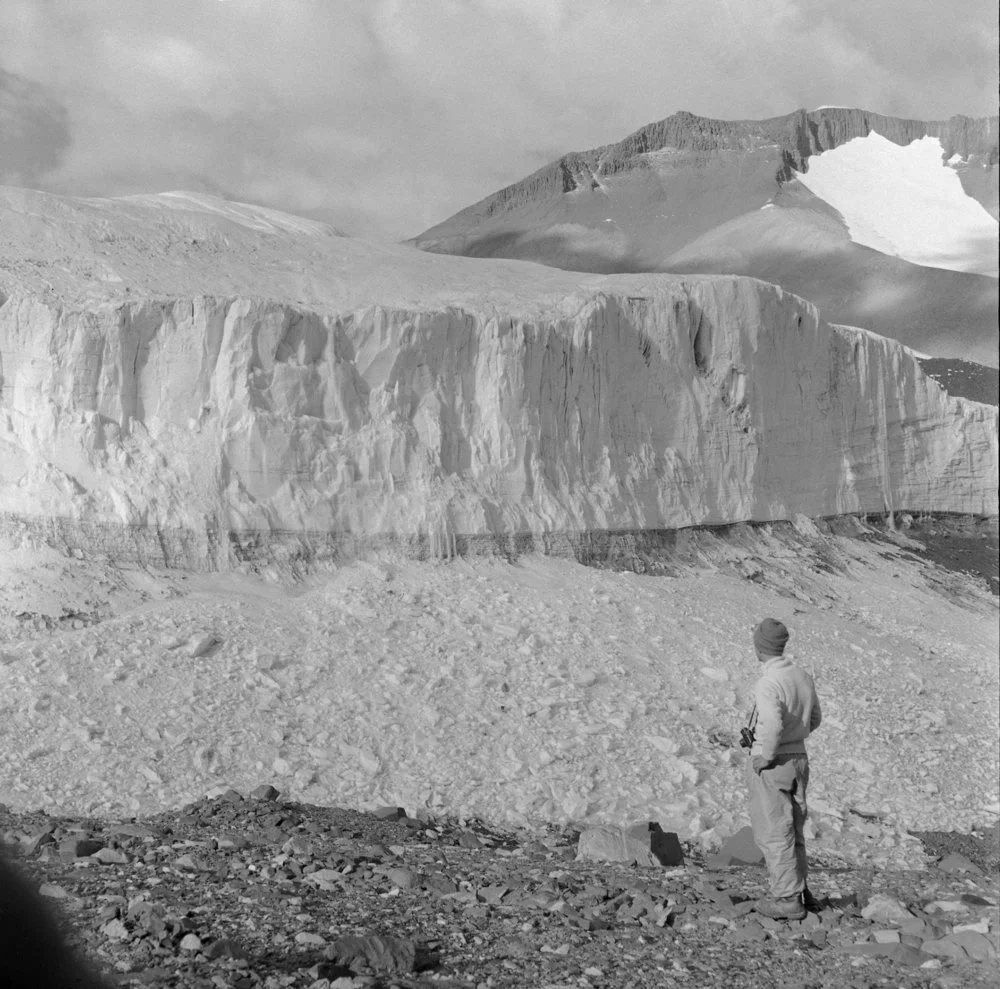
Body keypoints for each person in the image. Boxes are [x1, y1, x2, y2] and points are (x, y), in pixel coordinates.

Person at [745, 618, 822, 920]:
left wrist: (766, 755)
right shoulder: (801, 675)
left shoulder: (768, 682)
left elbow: (773, 724)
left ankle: (787, 899)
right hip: (799, 759)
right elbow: (814, 718)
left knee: (775, 830)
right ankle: (800, 890)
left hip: (774, 763)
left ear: (758, 646)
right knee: (795, 828)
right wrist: (795, 737)